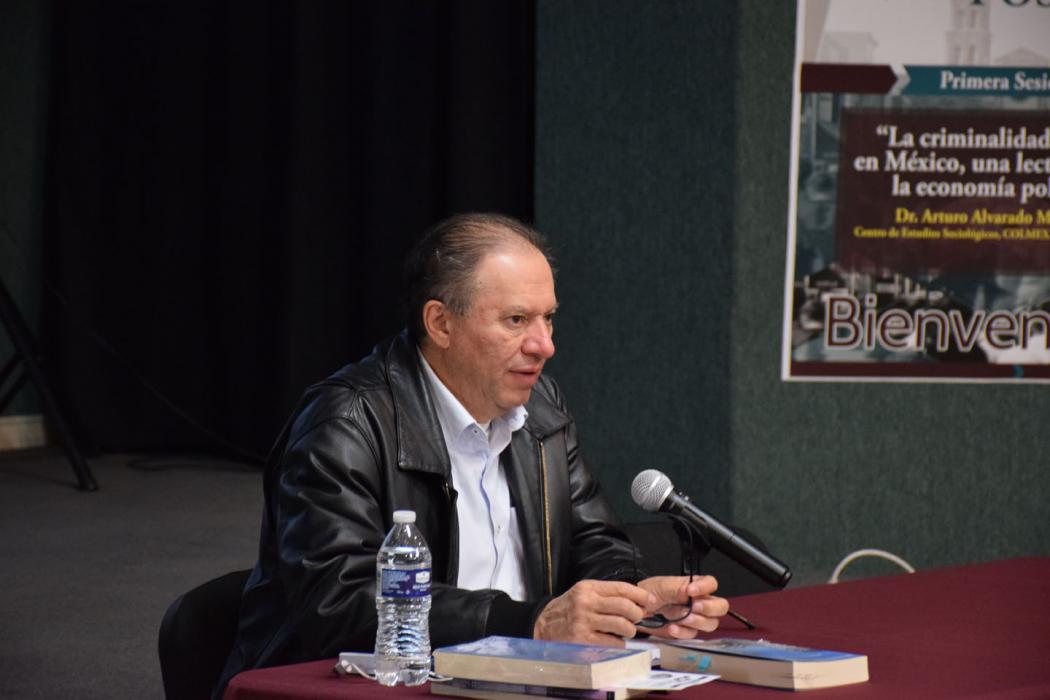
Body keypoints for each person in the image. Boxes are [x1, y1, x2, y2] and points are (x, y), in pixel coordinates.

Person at [215, 213, 728, 694]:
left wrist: (632, 597)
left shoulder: (541, 410)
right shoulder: (346, 424)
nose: (544, 345)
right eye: (517, 320)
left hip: (516, 682)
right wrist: (532, 623)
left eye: (548, 318)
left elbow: (593, 540)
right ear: (440, 323)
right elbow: (339, 605)